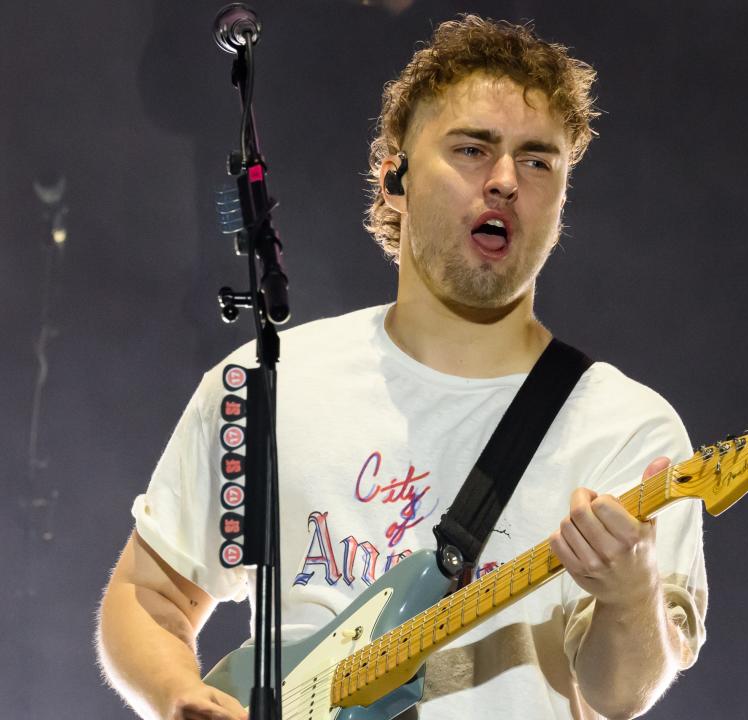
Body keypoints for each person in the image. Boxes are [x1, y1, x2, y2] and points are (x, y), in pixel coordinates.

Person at [97, 15, 707, 720]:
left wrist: (630, 591)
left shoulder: (625, 427)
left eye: (539, 161)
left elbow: (619, 693)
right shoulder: (271, 382)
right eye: (473, 149)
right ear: (395, 178)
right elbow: (149, 595)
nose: (506, 180)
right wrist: (177, 696)